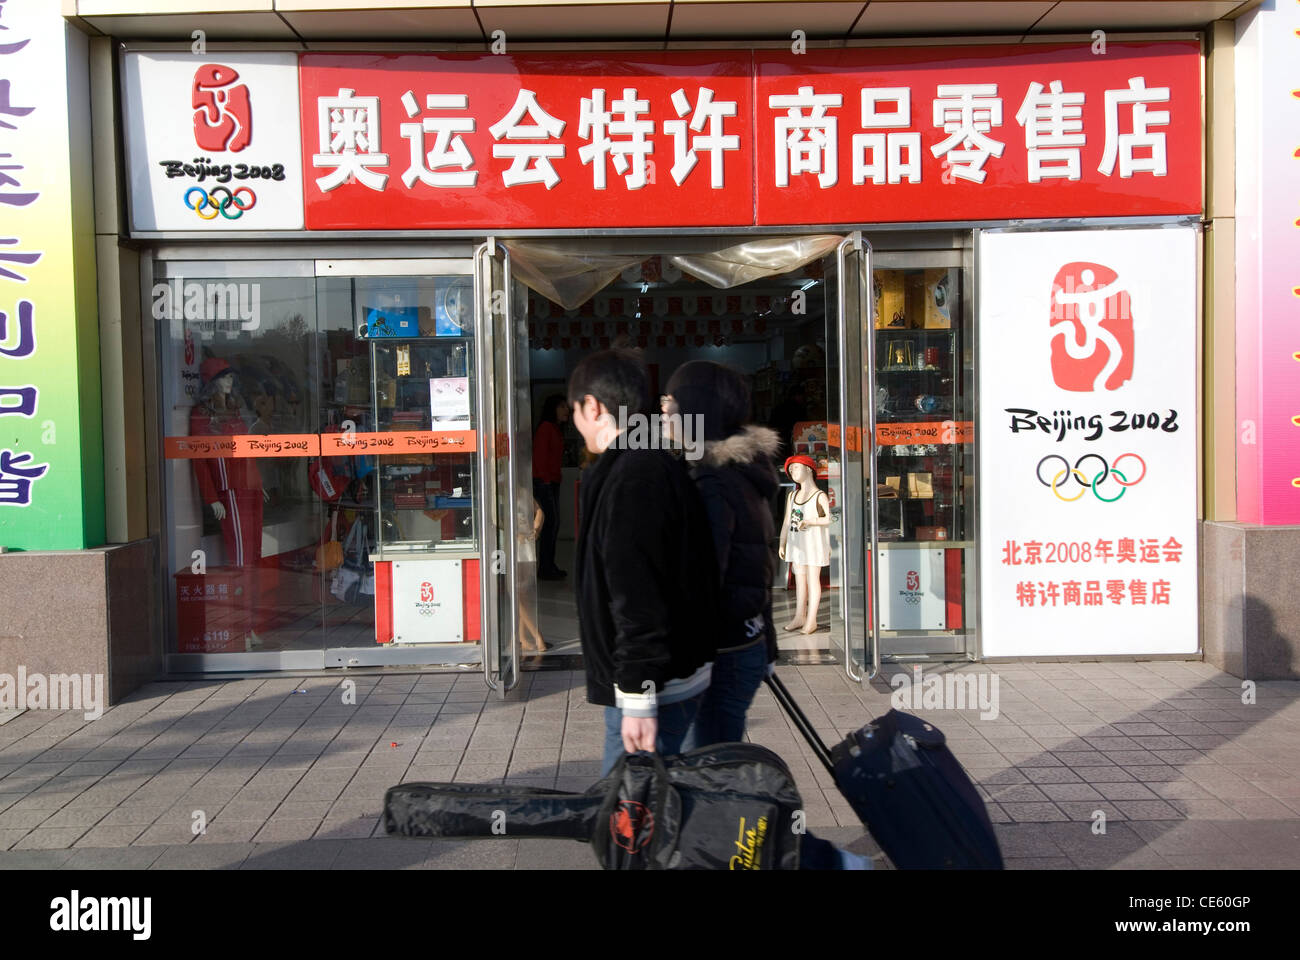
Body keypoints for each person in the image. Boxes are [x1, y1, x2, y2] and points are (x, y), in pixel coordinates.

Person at [567, 349, 722, 777]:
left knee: (630, 820)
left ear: (593, 407)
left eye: (575, 410)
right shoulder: (644, 462)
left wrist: (638, 694)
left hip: (655, 684)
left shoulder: (634, 475)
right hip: (661, 678)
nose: (575, 422)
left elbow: (637, 593)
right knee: (654, 809)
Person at [662, 361, 779, 745]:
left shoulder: (713, 482)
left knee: (709, 772)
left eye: (672, 401)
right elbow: (758, 566)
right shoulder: (741, 472)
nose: (663, 408)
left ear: (695, 410)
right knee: (713, 763)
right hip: (742, 644)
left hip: (721, 653)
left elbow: (703, 579)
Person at [532, 395, 569, 580]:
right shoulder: (546, 428)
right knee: (549, 524)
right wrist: (545, 482)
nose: (566, 410)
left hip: (552, 481)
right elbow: (539, 457)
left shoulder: (555, 428)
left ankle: (548, 565)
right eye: (561, 406)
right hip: (544, 482)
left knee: (553, 525)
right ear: (553, 408)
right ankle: (545, 568)